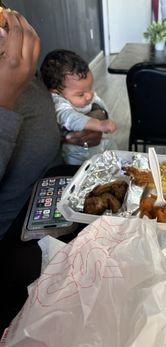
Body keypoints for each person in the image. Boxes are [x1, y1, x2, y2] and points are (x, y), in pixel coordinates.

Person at [0, 10, 102, 240]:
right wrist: (4, 96)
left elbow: (56, 101)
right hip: (17, 232)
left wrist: (93, 116)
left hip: (57, 187)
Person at [40, 50, 117, 165]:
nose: (89, 95)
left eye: (90, 88)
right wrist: (99, 124)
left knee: (113, 147)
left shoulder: (83, 91)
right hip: (76, 151)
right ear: (56, 92)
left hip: (95, 143)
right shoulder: (59, 102)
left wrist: (105, 115)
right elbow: (70, 118)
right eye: (81, 94)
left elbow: (100, 104)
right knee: (80, 168)